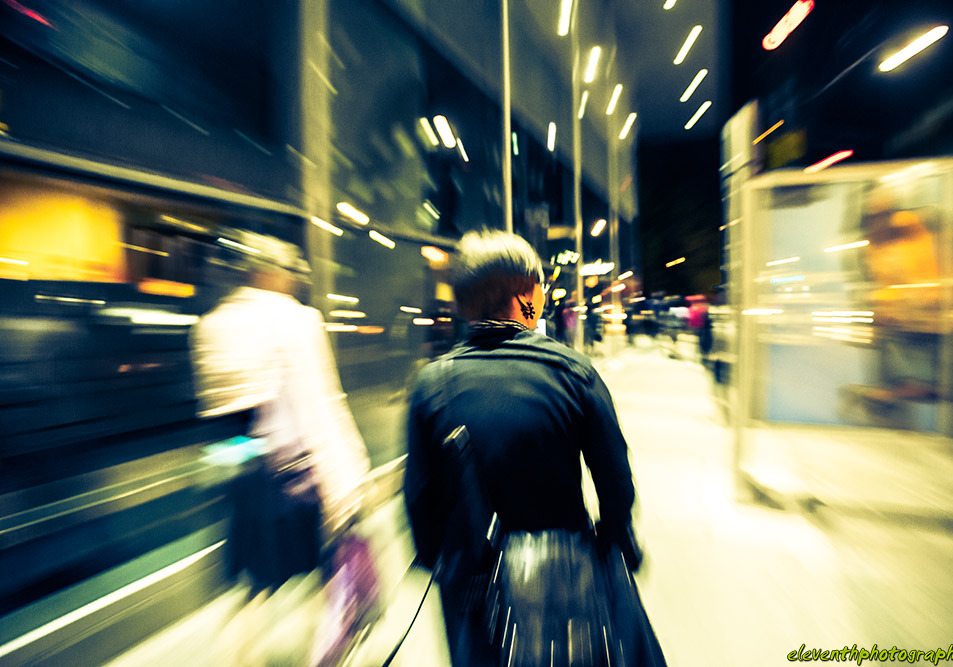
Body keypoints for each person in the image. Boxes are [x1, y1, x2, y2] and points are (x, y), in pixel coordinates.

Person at [404, 229, 646, 666]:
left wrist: (438, 560)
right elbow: (615, 479)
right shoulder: (573, 372)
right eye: (540, 289)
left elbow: (420, 497)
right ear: (526, 295)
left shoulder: (431, 385)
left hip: (473, 586)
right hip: (564, 580)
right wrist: (615, 537)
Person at [189, 230, 371, 593]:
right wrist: (347, 481)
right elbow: (319, 406)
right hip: (291, 479)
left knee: (254, 581)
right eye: (290, 271)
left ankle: (250, 624)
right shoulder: (296, 320)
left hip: (240, 480)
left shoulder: (211, 324)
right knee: (319, 573)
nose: (294, 280)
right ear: (269, 272)